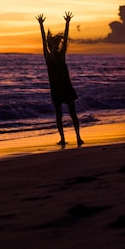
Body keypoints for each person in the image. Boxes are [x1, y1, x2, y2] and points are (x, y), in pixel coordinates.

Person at [36, 11, 83, 147]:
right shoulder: (48, 57)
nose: (52, 46)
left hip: (65, 87)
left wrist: (67, 23)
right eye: (51, 45)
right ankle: (63, 139)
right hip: (56, 89)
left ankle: (78, 137)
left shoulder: (61, 55)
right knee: (59, 116)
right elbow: (43, 41)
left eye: (54, 45)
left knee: (72, 114)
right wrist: (41, 25)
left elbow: (66, 38)